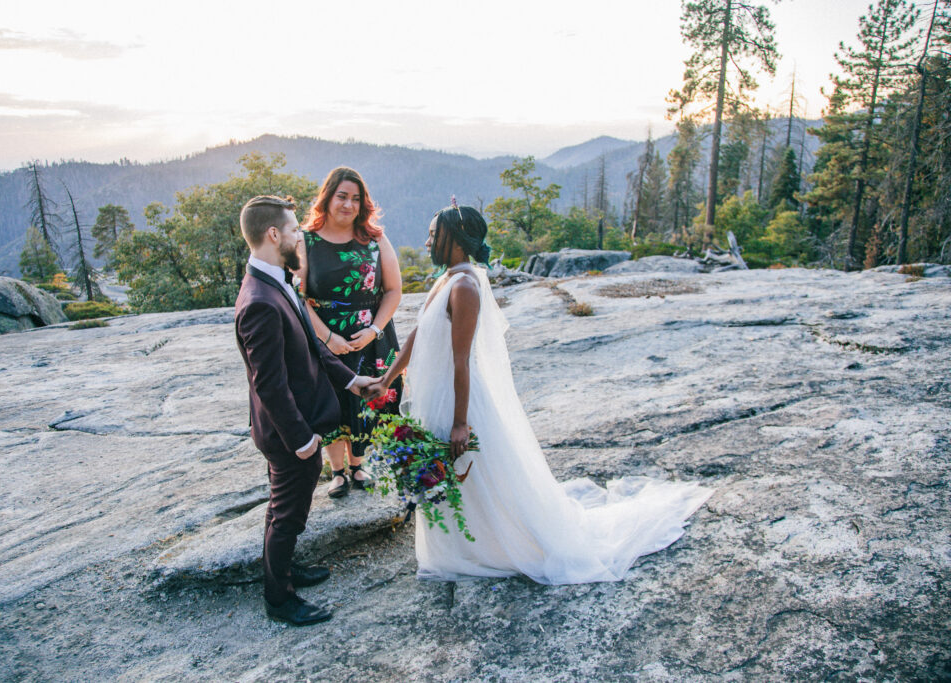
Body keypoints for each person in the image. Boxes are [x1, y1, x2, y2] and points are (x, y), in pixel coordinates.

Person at [366, 203, 713, 584]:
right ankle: (464, 545)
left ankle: (494, 546)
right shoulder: (447, 278)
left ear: (457, 239)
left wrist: (461, 422)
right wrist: (387, 379)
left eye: (435, 234)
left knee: (473, 474)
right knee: (454, 477)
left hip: (459, 398)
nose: (428, 240)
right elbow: (419, 334)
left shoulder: (465, 286)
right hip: (439, 395)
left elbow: (463, 361)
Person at [234, 195, 377, 625]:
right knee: (287, 514)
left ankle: (288, 570)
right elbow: (270, 384)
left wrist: (352, 381)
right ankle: (279, 598)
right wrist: (300, 439)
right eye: (296, 230)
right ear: (274, 234)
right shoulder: (259, 299)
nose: (302, 236)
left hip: (293, 426)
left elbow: (311, 347)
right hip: (286, 433)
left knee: (287, 510)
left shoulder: (276, 279)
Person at [297, 167, 402, 498]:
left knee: (368, 398)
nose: (348, 204)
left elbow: (394, 290)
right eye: (342, 196)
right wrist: (327, 339)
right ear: (327, 198)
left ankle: (359, 465)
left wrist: (374, 330)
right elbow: (298, 296)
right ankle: (338, 472)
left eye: (356, 199)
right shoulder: (305, 240)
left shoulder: (375, 239)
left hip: (370, 335)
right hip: (323, 335)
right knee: (331, 398)